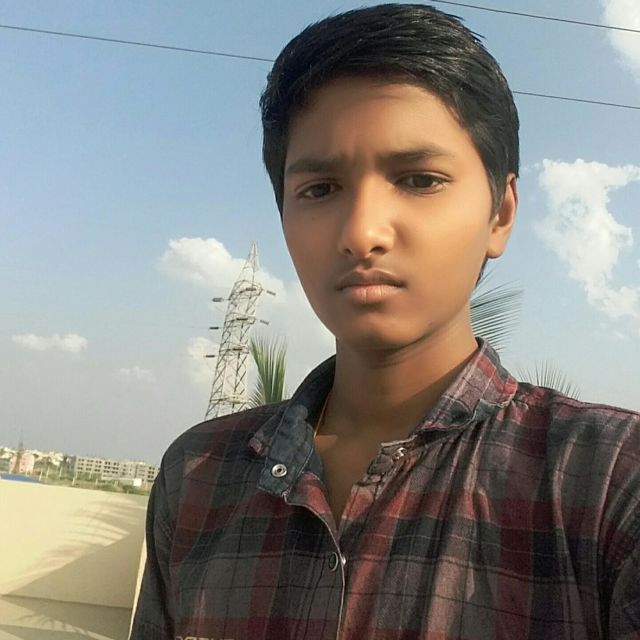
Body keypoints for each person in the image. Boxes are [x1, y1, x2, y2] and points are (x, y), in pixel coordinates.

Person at [130, 4, 640, 639]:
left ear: (501, 213)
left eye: (419, 179)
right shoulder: (199, 475)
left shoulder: (611, 485)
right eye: (320, 189)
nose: (361, 232)